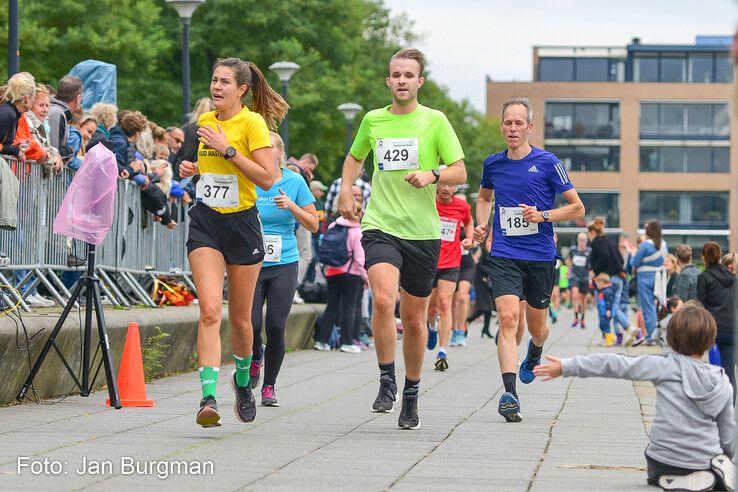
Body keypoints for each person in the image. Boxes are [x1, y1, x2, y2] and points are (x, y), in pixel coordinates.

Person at [336, 48, 466, 430]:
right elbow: (354, 158)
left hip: (423, 233)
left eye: (409, 75)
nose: (402, 80)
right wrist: (346, 189)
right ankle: (386, 380)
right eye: (396, 74)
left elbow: (459, 170)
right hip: (381, 224)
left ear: (419, 82)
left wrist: (432, 174)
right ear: (388, 81)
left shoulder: (435, 121)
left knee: (414, 320)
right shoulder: (374, 120)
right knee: (381, 299)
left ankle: (411, 392)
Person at [179, 57, 288, 428]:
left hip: (242, 225)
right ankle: (207, 398)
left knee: (242, 321)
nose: (216, 87)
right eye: (214, 80)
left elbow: (268, 178)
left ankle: (243, 381)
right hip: (206, 221)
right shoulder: (205, 122)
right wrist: (196, 169)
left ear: (241, 89)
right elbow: (214, 171)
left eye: (225, 82)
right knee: (209, 309)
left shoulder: (253, 123)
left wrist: (228, 150)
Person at [534, 303, 736, 491]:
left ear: (671, 337)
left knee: (661, 461)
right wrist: (725, 455)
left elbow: (617, 364)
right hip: (703, 459)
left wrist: (568, 366)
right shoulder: (722, 383)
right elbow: (727, 434)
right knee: (720, 460)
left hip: (663, 460)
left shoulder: (664, 366)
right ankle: (712, 474)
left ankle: (679, 477)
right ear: (710, 340)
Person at [473, 97, 585, 423]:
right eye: (507, 123)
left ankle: (534, 350)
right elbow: (484, 198)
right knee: (508, 320)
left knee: (537, 327)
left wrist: (543, 215)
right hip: (505, 254)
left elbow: (577, 208)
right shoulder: (493, 164)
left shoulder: (548, 162)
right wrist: (482, 223)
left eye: (518, 123)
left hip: (539, 257)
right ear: (502, 126)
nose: (512, 128)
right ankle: (510, 394)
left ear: (529, 127)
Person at [251, 132, 318, 406]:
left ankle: (269, 386)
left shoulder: (294, 181)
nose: (264, 154)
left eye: (269, 149)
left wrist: (291, 207)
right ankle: (256, 355)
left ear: (280, 153)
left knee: (276, 325)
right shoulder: (249, 178)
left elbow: (313, 223)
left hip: (284, 261)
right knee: (252, 324)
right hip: (251, 261)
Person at [314, 185, 368, 353]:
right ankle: (346, 341)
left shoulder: (333, 226)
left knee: (332, 306)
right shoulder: (356, 231)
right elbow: (359, 259)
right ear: (356, 213)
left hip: (332, 271)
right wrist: (366, 277)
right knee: (349, 307)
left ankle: (321, 341)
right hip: (350, 273)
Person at [426, 183, 473, 371]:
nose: (446, 188)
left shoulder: (462, 207)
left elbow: (469, 222)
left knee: (445, 304)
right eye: (443, 184)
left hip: (451, 263)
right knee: (431, 308)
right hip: (429, 261)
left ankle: (442, 351)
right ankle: (431, 327)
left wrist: (469, 238)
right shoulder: (428, 202)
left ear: (456, 188)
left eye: (450, 185)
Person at [588, 218, 638, 345]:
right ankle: (623, 331)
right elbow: (620, 259)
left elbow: (604, 256)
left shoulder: (597, 242)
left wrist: (595, 270)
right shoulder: (610, 242)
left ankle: (616, 334)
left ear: (592, 232)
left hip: (607, 280)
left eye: (589, 233)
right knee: (615, 306)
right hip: (619, 277)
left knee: (605, 307)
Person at [697, 242, 737, 396]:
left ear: (703, 257)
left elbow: (701, 307)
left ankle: (714, 404)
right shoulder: (733, 278)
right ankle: (729, 407)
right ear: (719, 256)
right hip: (732, 328)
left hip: (714, 329)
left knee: (713, 369)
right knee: (729, 371)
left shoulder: (704, 277)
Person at [627, 220, 667, 344]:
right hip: (658, 278)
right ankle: (657, 333)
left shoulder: (644, 245)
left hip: (644, 278)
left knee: (647, 307)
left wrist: (633, 253)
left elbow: (635, 263)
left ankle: (651, 336)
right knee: (656, 306)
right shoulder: (663, 244)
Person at [48, 75, 83, 161]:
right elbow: (55, 151)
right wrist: (70, 150)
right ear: (78, 99)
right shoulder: (57, 114)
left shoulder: (57, 111)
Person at [568, 232, 591, 329]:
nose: (581, 242)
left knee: (583, 299)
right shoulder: (572, 250)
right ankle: (576, 317)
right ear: (577, 240)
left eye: (583, 240)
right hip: (575, 276)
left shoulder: (590, 251)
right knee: (574, 294)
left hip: (585, 278)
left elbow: (592, 264)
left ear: (586, 241)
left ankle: (583, 319)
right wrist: (569, 272)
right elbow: (568, 260)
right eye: (580, 240)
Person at [593, 273, 622, 347]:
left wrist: (608, 310)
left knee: (606, 326)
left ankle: (609, 341)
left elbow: (609, 301)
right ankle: (609, 339)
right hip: (602, 312)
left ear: (602, 282)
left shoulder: (607, 291)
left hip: (606, 312)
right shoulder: (602, 290)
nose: (597, 285)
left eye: (598, 284)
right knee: (602, 325)